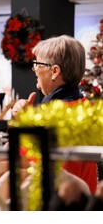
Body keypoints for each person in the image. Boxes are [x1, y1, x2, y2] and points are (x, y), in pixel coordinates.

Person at [12, 34, 98, 193]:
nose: (34, 70)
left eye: (37, 64)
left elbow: (21, 163)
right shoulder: (84, 108)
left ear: (54, 71)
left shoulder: (52, 117)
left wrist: (22, 123)